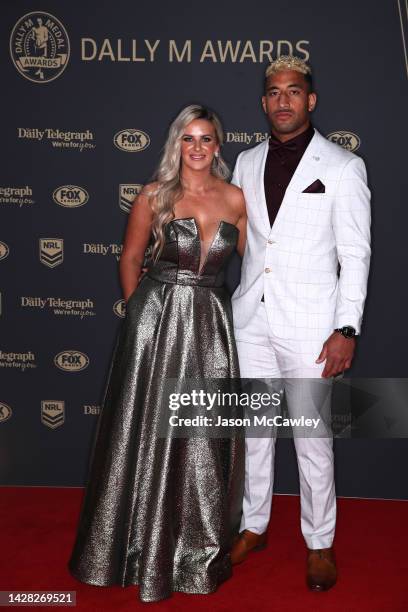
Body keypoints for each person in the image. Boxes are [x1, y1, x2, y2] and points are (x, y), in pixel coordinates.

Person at [68, 105, 247, 602]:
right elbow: (130, 258)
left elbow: (255, 266)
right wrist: (139, 317)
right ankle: (127, 550)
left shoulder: (235, 198)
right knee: (141, 431)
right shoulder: (154, 195)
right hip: (156, 319)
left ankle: (195, 555)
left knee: (202, 437)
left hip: (211, 324)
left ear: (217, 145)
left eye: (206, 139)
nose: (197, 148)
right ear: (176, 143)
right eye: (188, 138)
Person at [230, 56, 371, 591]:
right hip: (252, 321)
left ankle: (319, 542)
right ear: (264, 102)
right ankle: (254, 524)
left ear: (310, 101)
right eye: (273, 92)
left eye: (293, 91)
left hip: (313, 327)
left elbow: (355, 255)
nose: (282, 100)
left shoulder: (341, 166)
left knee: (313, 440)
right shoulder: (243, 162)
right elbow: (248, 240)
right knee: (255, 431)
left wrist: (347, 327)